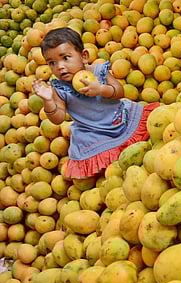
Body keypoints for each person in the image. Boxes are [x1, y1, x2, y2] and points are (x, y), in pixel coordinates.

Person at [32, 27, 159, 179]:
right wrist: (48, 101)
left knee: (149, 131)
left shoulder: (98, 71)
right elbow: (58, 118)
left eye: (65, 58)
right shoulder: (58, 88)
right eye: (52, 63)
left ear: (84, 56)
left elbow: (119, 92)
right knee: (105, 165)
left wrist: (101, 89)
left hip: (117, 118)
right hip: (92, 131)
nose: (59, 66)